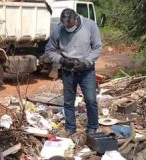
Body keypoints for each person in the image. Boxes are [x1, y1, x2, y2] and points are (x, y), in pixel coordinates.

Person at [41, 8, 102, 136]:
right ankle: (70, 128)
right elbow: (49, 50)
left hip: (86, 70)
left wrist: (85, 62)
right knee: (68, 101)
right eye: (65, 25)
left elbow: (97, 48)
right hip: (68, 71)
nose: (67, 27)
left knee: (90, 100)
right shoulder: (59, 29)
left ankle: (92, 127)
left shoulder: (90, 25)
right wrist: (62, 60)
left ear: (76, 19)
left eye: (70, 25)